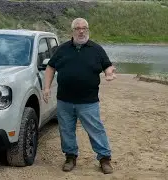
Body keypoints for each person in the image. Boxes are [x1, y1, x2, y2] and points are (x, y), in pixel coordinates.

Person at [43, 18, 116, 174]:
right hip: (65, 101)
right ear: (73, 31)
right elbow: (50, 67)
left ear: (87, 29)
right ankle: (70, 157)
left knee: (96, 130)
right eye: (77, 28)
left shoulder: (96, 49)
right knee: (66, 130)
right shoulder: (62, 49)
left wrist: (109, 73)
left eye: (84, 28)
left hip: (88, 101)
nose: (81, 31)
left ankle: (104, 159)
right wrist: (46, 88)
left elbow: (107, 66)